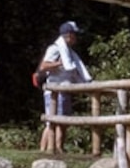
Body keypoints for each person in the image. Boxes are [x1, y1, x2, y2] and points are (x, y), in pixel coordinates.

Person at [36, 22, 90, 155]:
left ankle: (59, 147)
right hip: (54, 91)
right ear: (69, 35)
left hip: (64, 90)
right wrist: (59, 63)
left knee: (63, 120)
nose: (77, 38)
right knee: (53, 121)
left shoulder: (69, 52)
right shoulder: (55, 48)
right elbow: (43, 66)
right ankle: (47, 149)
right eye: (75, 34)